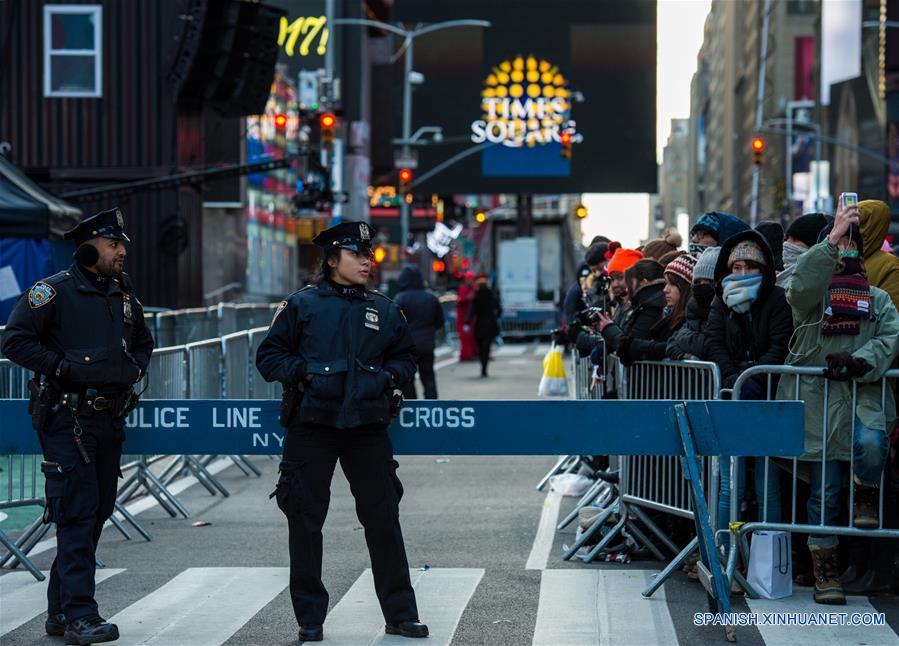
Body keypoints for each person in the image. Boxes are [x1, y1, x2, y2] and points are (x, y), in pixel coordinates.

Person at [256, 221, 427, 642]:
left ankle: (400, 614)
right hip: (311, 427)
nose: (367, 261)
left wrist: (388, 378)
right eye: (357, 255)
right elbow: (269, 358)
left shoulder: (385, 309)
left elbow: (408, 359)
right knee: (305, 521)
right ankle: (309, 619)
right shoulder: (301, 306)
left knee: (383, 519)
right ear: (332, 259)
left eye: (369, 254)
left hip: (367, 428)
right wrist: (307, 374)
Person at [1, 207, 154, 645]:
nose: (123, 251)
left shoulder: (121, 293)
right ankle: (81, 616)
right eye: (114, 244)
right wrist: (62, 368)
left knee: (95, 513)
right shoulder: (53, 292)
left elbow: (143, 340)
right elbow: (14, 341)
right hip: (67, 420)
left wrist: (132, 367)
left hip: (108, 419)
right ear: (88, 249)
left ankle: (59, 610)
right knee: (78, 513)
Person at [779, 202, 899, 604]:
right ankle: (824, 572)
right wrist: (830, 238)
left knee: (872, 446)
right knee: (824, 494)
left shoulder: (878, 299)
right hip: (819, 408)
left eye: (853, 247)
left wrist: (859, 362)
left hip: (861, 397)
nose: (845, 254)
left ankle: (866, 489)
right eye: (837, 249)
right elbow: (798, 287)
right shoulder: (814, 299)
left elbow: (889, 338)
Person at [706, 230, 792, 556]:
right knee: (731, 483)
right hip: (732, 397)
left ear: (765, 270)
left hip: (766, 397)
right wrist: (735, 380)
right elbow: (714, 344)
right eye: (736, 267)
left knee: (766, 483)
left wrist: (755, 377)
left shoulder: (778, 300)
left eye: (750, 267)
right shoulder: (720, 300)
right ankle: (725, 555)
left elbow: (780, 344)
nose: (742, 273)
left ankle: (767, 560)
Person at [616, 253, 696, 364]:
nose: (665, 290)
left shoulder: (691, 318)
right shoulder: (669, 315)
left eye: (672, 284)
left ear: (685, 287)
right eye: (666, 283)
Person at [597, 259, 666, 358]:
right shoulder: (641, 305)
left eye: (629, 282)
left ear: (643, 282)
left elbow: (630, 347)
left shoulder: (651, 307)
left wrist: (609, 329)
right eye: (612, 279)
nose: (627, 288)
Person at [394, 265, 444, 399]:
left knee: (408, 379)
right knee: (428, 376)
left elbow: (394, 323)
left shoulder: (400, 298)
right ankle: (431, 405)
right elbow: (440, 321)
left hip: (407, 347)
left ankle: (413, 406)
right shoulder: (431, 298)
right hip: (427, 344)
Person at [667, 247, 720, 360]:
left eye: (709, 281)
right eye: (697, 282)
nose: (702, 286)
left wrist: (682, 339)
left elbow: (713, 346)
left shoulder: (725, 311)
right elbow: (671, 343)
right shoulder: (693, 308)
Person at [778, 213, 830, 288]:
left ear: (813, 247)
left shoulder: (817, 285)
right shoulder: (777, 279)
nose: (787, 243)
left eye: (795, 239)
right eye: (787, 238)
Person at [465, 274, 502, 377]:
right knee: (487, 347)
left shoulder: (476, 297)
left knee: (480, 346)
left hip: (479, 324)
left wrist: (467, 322)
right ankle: (484, 367)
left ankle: (482, 362)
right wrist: (496, 316)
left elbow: (472, 311)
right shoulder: (492, 296)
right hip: (490, 323)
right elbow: (499, 309)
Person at [455, 273, 478, 361]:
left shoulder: (473, 289)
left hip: (470, 318)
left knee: (471, 337)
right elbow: (460, 302)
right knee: (465, 338)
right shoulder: (464, 289)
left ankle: (471, 353)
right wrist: (467, 298)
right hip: (463, 318)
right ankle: (466, 355)